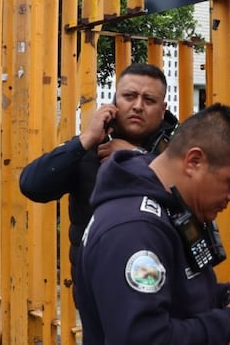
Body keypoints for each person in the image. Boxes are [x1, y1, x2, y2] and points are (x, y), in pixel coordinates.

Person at [74, 104, 230, 344]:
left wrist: (228, 298)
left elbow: (175, 296)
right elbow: (142, 338)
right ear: (193, 161)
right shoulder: (134, 229)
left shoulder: (170, 209)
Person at [19, 63, 178, 276]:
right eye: (129, 96)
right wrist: (86, 139)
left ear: (163, 110)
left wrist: (137, 157)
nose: (138, 106)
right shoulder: (86, 149)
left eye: (149, 100)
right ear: (114, 103)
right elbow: (32, 185)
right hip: (96, 289)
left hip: (156, 282)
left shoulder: (179, 153)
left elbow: (190, 208)